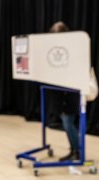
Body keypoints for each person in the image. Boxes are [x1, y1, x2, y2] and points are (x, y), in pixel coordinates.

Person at [49, 21, 80, 161]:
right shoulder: (54, 48)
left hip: (71, 91)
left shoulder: (74, 49)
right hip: (60, 91)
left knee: (68, 122)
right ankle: (74, 150)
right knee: (66, 122)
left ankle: (77, 151)